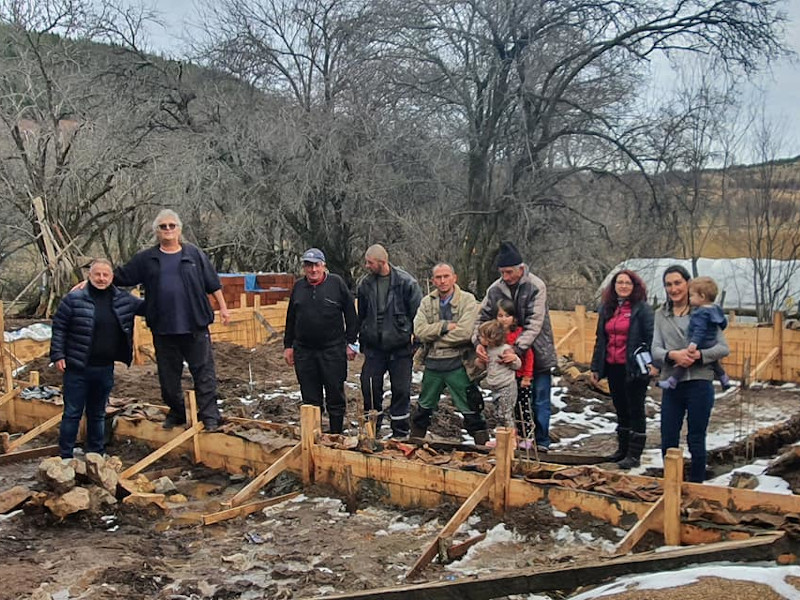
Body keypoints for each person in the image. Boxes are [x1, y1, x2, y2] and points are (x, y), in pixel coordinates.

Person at [112, 209, 230, 431]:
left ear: (179, 229)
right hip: (163, 327)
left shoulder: (193, 255)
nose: (168, 230)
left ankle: (210, 417)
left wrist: (223, 309)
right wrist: (92, 280)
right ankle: (177, 413)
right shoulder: (147, 259)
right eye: (163, 226)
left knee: (204, 374)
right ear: (156, 231)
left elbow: (212, 283)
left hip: (194, 325)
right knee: (168, 378)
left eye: (171, 226)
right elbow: (120, 276)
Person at [50, 259, 144, 458]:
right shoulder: (74, 299)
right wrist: (58, 354)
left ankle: (96, 453)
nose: (101, 278)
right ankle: (65, 456)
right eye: (97, 274)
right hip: (77, 367)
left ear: (112, 277)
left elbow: (149, 308)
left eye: (105, 275)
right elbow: (59, 327)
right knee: (72, 413)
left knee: (98, 413)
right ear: (89, 276)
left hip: (104, 368)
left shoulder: (123, 300)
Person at [474, 241, 557, 453]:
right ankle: (515, 438)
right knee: (513, 401)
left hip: (536, 351)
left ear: (521, 268)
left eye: (510, 272)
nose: (507, 277)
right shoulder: (495, 289)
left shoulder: (536, 286)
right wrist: (478, 342)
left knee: (539, 399)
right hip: (505, 358)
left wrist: (516, 348)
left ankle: (542, 442)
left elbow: (534, 323)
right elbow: (480, 318)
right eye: (503, 272)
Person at [651, 265, 730, 483]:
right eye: (668, 284)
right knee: (668, 436)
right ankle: (671, 484)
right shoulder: (660, 314)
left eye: (678, 283)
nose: (673, 288)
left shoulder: (705, 311)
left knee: (696, 437)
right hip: (672, 382)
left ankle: (696, 486)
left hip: (699, 382)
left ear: (688, 284)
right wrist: (673, 355)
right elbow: (655, 349)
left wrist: (699, 355)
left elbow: (723, 348)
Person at [410, 263, 490, 445]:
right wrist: (445, 327)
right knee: (423, 409)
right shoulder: (426, 302)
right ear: (433, 281)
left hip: (459, 364)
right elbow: (419, 329)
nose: (442, 280)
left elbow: (466, 332)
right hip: (433, 364)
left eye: (446, 276)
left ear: (455, 278)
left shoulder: (468, 300)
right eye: (438, 277)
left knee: (472, 409)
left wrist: (434, 338)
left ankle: (486, 451)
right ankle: (412, 446)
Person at [284, 248, 358, 434]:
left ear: (324, 265)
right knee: (310, 397)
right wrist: (288, 346)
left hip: (332, 350)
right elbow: (291, 318)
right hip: (304, 351)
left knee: (335, 395)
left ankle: (335, 435)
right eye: (309, 266)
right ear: (304, 268)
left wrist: (351, 342)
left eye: (316, 265)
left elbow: (351, 314)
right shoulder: (299, 287)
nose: (313, 270)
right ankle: (314, 436)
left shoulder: (336, 284)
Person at [590, 269, 654, 469]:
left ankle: (634, 455)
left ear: (634, 286)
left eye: (628, 283)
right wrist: (596, 367)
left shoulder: (641, 309)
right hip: (613, 365)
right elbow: (601, 339)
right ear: (614, 286)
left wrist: (653, 364)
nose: (623, 286)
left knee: (635, 409)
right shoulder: (607, 309)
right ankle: (622, 450)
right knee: (620, 409)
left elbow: (651, 337)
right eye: (620, 283)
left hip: (634, 367)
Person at [356, 244, 422, 438]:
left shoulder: (406, 283)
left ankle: (400, 432)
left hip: (400, 348)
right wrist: (362, 340)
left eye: (370, 263)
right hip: (375, 348)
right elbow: (363, 314)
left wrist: (414, 344)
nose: (366, 266)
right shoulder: (365, 284)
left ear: (382, 262)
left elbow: (418, 316)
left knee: (401, 390)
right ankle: (372, 428)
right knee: (368, 385)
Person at [658, 276, 730, 391]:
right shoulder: (716, 309)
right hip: (711, 341)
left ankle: (672, 381)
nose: (690, 298)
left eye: (691, 296)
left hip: (700, 343)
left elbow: (699, 330)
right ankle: (724, 379)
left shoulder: (700, 312)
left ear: (702, 296)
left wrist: (693, 344)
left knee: (685, 359)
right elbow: (723, 323)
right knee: (714, 362)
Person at [495, 299, 535, 448]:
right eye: (500, 315)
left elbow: (529, 356)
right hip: (504, 378)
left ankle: (527, 437)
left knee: (522, 407)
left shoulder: (519, 334)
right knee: (504, 408)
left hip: (519, 376)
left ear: (513, 317)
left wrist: (527, 375)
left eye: (507, 315)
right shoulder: (496, 335)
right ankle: (509, 437)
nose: (503, 319)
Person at [477, 319, 521, 433]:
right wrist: (480, 361)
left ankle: (510, 439)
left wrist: (514, 358)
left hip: (506, 386)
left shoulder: (505, 349)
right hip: (495, 387)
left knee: (505, 414)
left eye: (481, 336)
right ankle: (502, 437)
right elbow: (484, 367)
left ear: (491, 338)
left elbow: (517, 365)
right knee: (498, 413)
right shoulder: (488, 350)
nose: (479, 338)